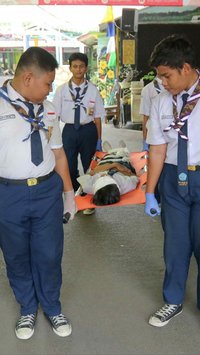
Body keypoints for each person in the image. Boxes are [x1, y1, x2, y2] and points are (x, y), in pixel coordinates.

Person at [0, 47, 77, 340]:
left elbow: (58, 154)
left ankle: (52, 306)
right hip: (8, 194)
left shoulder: (48, 108)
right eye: (47, 84)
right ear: (28, 77)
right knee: (16, 254)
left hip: (46, 192)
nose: (49, 91)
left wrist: (69, 194)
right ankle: (27, 308)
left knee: (49, 253)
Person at [145, 34, 200, 327]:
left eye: (166, 76)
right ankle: (173, 300)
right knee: (175, 245)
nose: (163, 82)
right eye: (160, 77)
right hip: (172, 179)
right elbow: (157, 147)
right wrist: (150, 191)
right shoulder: (161, 102)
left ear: (186, 68)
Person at [52, 52, 105, 215]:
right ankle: (76, 197)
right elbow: (55, 117)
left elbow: (97, 117)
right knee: (69, 166)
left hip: (88, 130)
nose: (78, 69)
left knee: (89, 166)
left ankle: (89, 201)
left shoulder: (93, 90)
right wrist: (53, 139)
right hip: (69, 131)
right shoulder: (62, 91)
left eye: (81, 66)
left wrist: (99, 139)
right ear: (70, 68)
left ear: (86, 68)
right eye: (75, 66)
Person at [77, 141, 139, 206]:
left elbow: (94, 170)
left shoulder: (88, 186)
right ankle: (122, 150)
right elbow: (134, 176)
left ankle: (110, 152)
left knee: (106, 159)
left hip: (104, 165)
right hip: (121, 167)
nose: (106, 175)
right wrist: (119, 168)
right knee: (121, 157)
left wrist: (113, 165)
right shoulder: (125, 185)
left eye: (104, 177)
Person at [140, 75, 166, 151]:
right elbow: (146, 117)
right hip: (155, 136)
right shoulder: (148, 89)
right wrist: (145, 141)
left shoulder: (177, 86)